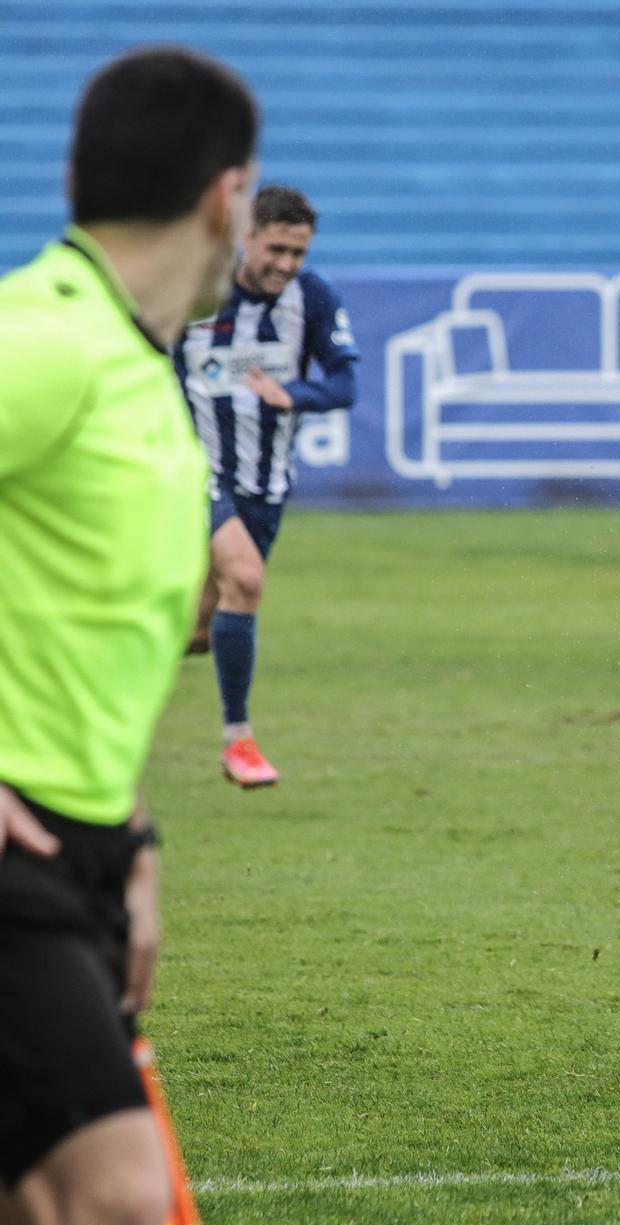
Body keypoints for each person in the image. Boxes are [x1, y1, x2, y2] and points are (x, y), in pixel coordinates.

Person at [0, 47, 257, 1225]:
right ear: (227, 198)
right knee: (110, 1197)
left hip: (78, 848)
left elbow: (61, 655)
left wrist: (133, 839)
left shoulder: (128, 359)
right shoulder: (43, 340)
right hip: (15, 861)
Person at [177, 183, 358, 788]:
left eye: (297, 253)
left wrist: (295, 395)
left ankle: (94, 677)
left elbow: (344, 384)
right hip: (193, 473)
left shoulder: (312, 298)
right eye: (275, 249)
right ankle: (240, 741)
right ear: (245, 238)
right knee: (247, 580)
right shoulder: (196, 292)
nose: (286, 264)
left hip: (266, 485)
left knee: (200, 630)